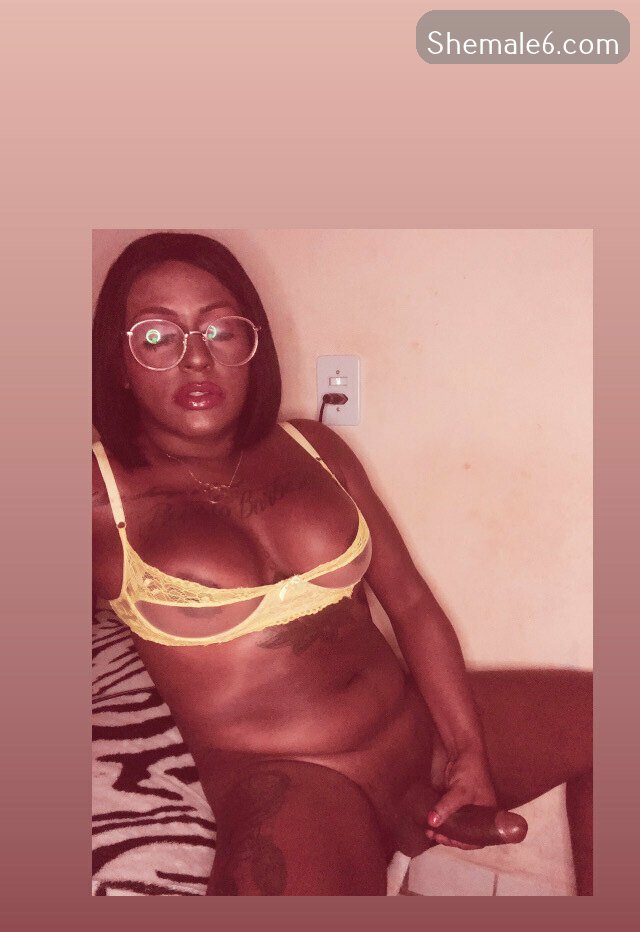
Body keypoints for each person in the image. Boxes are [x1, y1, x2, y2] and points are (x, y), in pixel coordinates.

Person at [92, 231, 592, 896]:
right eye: (157, 336)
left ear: (253, 346)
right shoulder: (96, 498)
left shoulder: (313, 446)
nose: (197, 357)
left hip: (415, 732)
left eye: (220, 330)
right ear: (119, 364)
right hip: (297, 784)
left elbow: (410, 603)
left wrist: (468, 753)